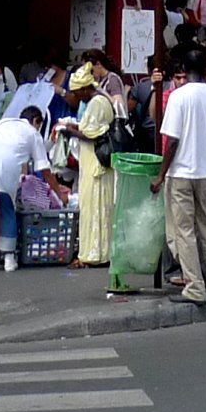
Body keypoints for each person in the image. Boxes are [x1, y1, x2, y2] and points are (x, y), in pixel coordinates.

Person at [152, 45, 206, 306]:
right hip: (205, 171)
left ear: (184, 70)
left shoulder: (178, 96)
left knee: (184, 231)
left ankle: (195, 286)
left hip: (181, 172)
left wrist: (161, 175)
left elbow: (172, 141)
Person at [0, 106, 66, 272]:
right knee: (7, 209)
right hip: (6, 166)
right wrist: (59, 195)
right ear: (36, 121)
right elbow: (44, 169)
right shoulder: (32, 133)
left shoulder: (3, 123)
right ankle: (8, 259)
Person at [68, 63, 121, 267]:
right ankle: (94, 252)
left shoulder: (98, 102)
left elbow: (91, 133)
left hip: (96, 163)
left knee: (95, 207)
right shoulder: (98, 100)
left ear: (83, 89)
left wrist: (69, 131)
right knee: (93, 206)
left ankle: (95, 253)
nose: (75, 97)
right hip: (91, 161)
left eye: (76, 92)